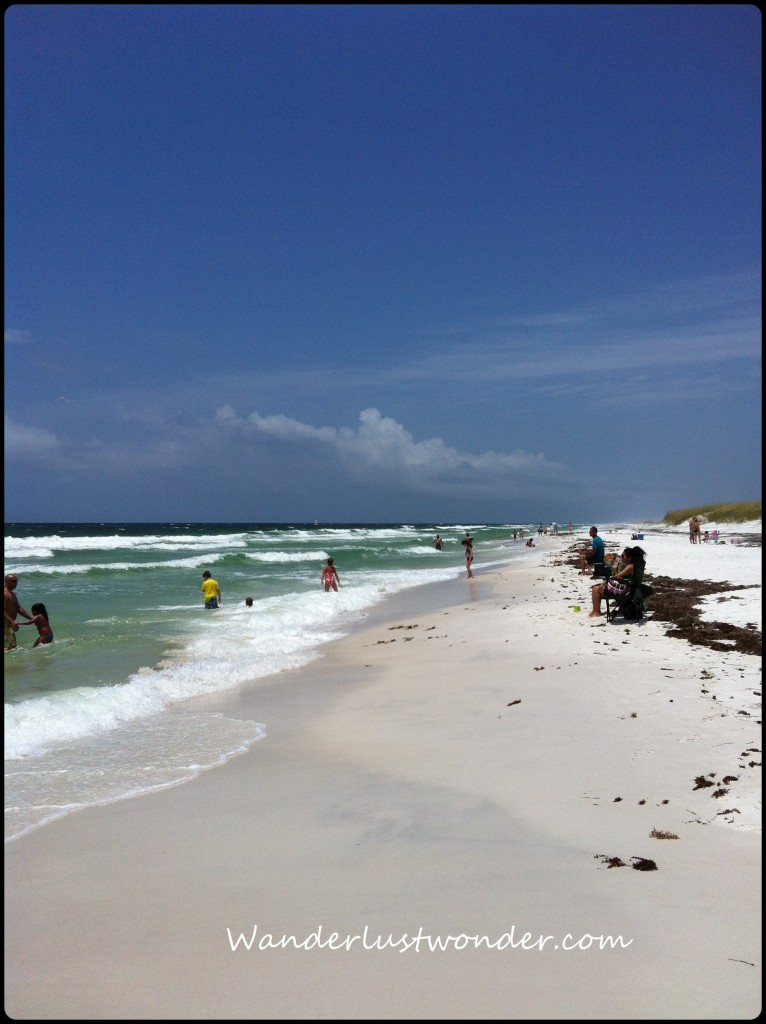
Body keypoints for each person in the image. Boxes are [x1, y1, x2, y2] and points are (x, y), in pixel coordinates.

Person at [589, 546, 645, 618]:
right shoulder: (633, 566)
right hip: (629, 589)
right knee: (598, 588)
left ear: (629, 558)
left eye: (623, 556)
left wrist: (604, 582)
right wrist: (615, 569)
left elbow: (616, 577)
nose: (621, 557)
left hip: (625, 592)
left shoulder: (630, 567)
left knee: (595, 589)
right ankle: (595, 611)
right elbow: (619, 577)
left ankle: (596, 612)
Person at [4, 574, 33, 652]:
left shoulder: (13, 594)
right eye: (13, 581)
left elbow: (19, 608)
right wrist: (12, 622)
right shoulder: (5, 593)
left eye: (16, 581)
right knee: (7, 649)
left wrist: (31, 618)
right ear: (7, 582)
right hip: (5, 625)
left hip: (9, 625)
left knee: (12, 648)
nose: (15, 583)